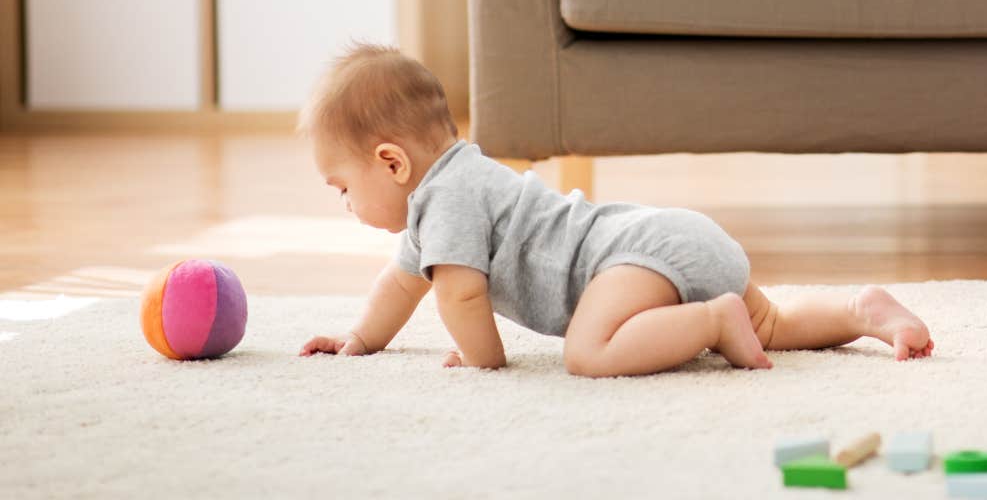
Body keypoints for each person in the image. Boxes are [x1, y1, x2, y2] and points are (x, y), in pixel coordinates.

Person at [297, 44, 933, 374]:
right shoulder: (446, 194)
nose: (345, 204)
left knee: (588, 353)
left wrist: (484, 361)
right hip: (665, 239)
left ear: (391, 163)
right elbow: (400, 284)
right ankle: (862, 311)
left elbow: (458, 297)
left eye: (342, 187)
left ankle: (712, 322)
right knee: (772, 325)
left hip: (630, 258)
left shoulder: (450, 198)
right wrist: (360, 339)